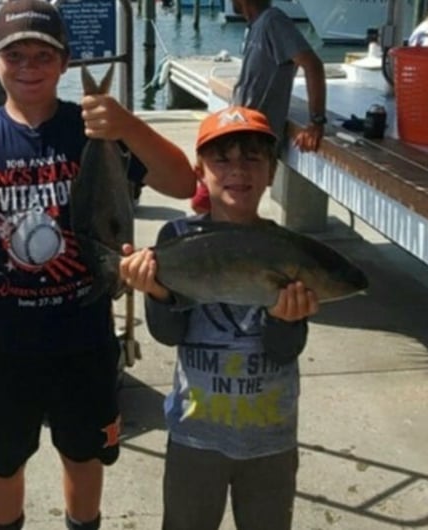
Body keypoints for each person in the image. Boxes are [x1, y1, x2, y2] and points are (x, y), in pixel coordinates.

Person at [0, 1, 196, 528]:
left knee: (84, 453)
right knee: (2, 460)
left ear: (65, 62)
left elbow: (183, 183)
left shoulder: (95, 129)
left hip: (83, 331)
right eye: (15, 55)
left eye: (42, 55)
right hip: (1, 336)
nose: (29, 66)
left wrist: (129, 126)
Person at [120, 106, 319, 530]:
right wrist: (156, 291)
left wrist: (286, 319)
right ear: (201, 172)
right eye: (222, 160)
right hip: (195, 433)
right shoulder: (176, 238)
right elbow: (169, 333)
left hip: (270, 437)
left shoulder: (289, 248)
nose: (238, 171)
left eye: (252, 158)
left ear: (271, 171)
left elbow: (284, 350)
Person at [191, 0, 327, 213]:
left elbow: (313, 65)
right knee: (206, 200)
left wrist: (316, 121)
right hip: (235, 129)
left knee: (210, 204)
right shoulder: (256, 25)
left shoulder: (273, 21)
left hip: (252, 137)